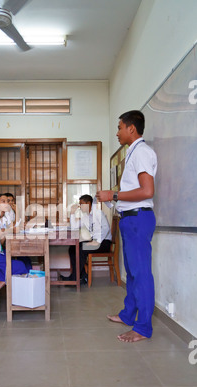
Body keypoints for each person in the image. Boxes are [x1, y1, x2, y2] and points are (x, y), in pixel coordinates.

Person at [97, 110, 157, 343]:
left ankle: (142, 328)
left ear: (132, 128)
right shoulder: (133, 153)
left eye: (120, 127)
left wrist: (112, 194)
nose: (117, 132)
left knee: (141, 274)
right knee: (132, 273)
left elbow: (147, 191)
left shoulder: (142, 152)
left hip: (138, 218)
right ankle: (128, 314)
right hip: (130, 219)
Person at [61, 194, 112, 284]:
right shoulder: (86, 216)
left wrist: (97, 242)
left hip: (104, 243)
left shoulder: (98, 213)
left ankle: (74, 279)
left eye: (82, 204)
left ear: (88, 203)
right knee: (73, 248)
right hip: (95, 241)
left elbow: (106, 228)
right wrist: (72, 213)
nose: (80, 206)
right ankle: (81, 276)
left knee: (82, 249)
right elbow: (74, 227)